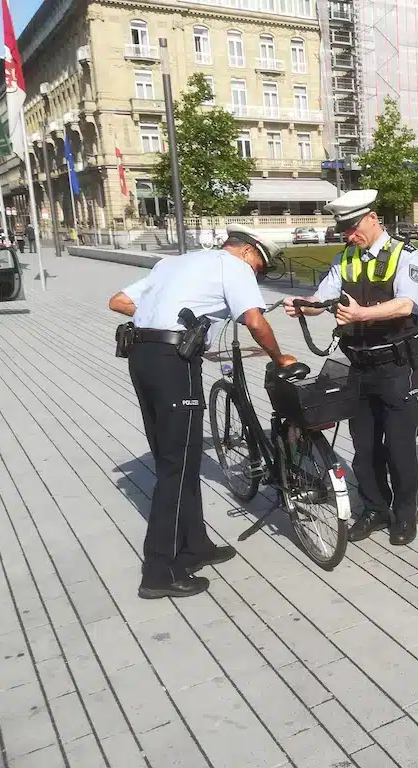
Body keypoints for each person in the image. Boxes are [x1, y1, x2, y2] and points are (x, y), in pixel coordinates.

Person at [108, 223, 298, 599]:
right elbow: (255, 320)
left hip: (142, 356)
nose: (257, 273)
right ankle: (160, 571)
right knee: (178, 467)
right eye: (260, 265)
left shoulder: (174, 263)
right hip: (173, 362)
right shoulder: (234, 266)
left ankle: (196, 546)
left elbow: (119, 301)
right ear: (247, 252)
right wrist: (280, 357)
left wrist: (174, 319)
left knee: (179, 457)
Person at [285, 189, 418, 546]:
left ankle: (405, 514)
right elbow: (323, 297)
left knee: (399, 447)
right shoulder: (344, 258)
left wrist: (362, 313)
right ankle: (376, 509)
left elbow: (407, 305)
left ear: (372, 219)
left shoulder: (405, 255)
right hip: (358, 367)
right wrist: (304, 305)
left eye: (352, 227)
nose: (348, 235)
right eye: (343, 229)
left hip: (396, 366)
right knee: (364, 448)